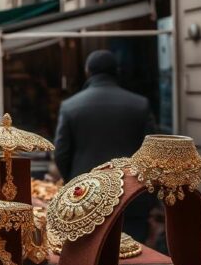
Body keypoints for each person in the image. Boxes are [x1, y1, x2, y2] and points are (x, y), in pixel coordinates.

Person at [53, 50, 157, 240]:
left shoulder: (70, 106)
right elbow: (152, 153)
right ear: (116, 71)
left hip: (86, 197)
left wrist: (75, 180)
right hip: (131, 196)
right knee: (135, 260)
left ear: (87, 71)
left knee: (90, 259)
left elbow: (61, 153)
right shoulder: (140, 104)